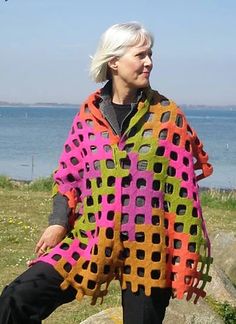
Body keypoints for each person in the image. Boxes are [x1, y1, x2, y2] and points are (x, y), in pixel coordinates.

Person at [0, 22, 213, 324]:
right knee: (15, 299)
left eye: (150, 54)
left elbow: (182, 190)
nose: (149, 62)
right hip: (91, 237)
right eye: (140, 55)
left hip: (148, 249)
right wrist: (58, 223)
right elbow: (69, 175)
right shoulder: (90, 114)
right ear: (113, 61)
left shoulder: (167, 115)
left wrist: (182, 249)